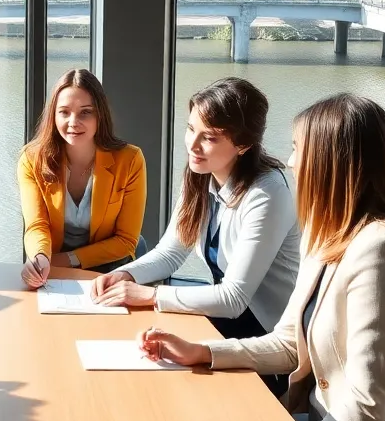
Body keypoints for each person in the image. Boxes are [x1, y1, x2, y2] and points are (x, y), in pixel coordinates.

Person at [139, 94, 385, 421]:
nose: (290, 161)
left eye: (297, 149)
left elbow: (369, 401)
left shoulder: (383, 249)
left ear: (333, 162)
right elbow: (289, 342)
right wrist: (202, 352)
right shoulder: (327, 236)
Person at [91, 78, 299, 394]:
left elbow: (233, 298)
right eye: (191, 129)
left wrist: (149, 295)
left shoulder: (267, 194)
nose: (192, 144)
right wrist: (125, 274)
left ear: (243, 145)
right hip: (228, 326)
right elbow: (171, 253)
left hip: (267, 343)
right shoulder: (202, 175)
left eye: (209, 137)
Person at [18, 69, 146, 288]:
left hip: (111, 268)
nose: (73, 122)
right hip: (51, 268)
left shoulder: (130, 160)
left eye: (85, 112)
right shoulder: (31, 160)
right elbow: (37, 224)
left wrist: (66, 260)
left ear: (100, 115)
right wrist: (40, 258)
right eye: (64, 112)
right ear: (53, 116)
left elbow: (126, 241)